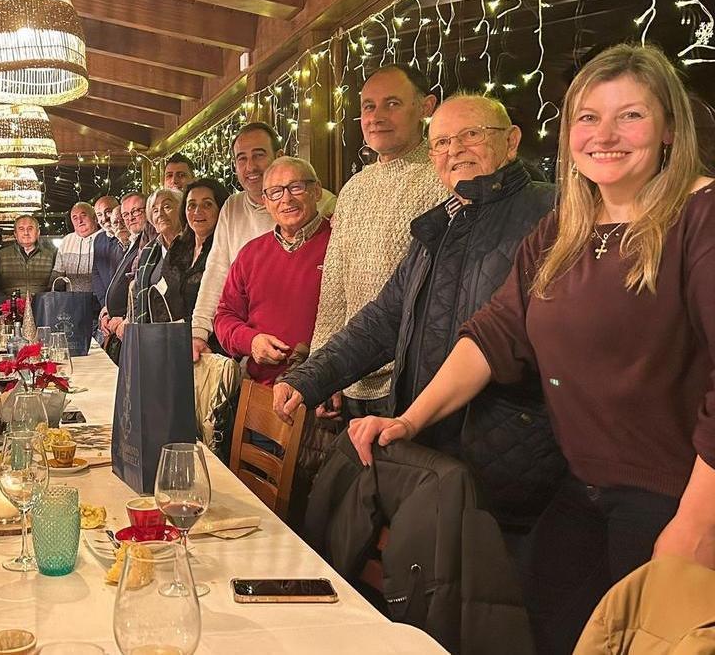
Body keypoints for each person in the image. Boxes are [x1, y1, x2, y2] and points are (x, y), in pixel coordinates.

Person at [346, 45, 715, 653]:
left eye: (631, 116)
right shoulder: (564, 227)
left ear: (669, 127)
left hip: (675, 499)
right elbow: (494, 335)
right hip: (581, 489)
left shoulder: (699, 216)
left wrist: (698, 525)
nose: (606, 135)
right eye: (589, 118)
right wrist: (409, 418)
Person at [273, 94, 563, 531]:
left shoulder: (552, 212)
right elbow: (384, 319)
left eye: (471, 134)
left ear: (512, 141)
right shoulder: (439, 224)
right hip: (431, 444)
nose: (455, 150)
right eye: (442, 142)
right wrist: (311, 377)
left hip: (509, 452)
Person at [307, 64, 449, 423]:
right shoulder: (354, 188)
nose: (376, 116)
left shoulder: (444, 179)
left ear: (426, 107)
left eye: (392, 104)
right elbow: (334, 285)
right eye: (369, 106)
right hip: (352, 373)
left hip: (412, 379)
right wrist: (323, 370)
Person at [188, 122, 336, 362]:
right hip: (255, 360)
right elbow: (216, 273)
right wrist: (199, 333)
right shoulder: (236, 214)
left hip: (318, 367)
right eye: (241, 159)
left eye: (258, 155)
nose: (250, 167)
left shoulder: (327, 207)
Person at [213, 157, 332, 384]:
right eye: (276, 192)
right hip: (262, 390)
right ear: (266, 202)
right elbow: (224, 317)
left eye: (296, 187)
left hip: (325, 388)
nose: (286, 199)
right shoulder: (250, 254)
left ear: (316, 191)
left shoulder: (337, 242)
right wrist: (251, 341)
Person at [154, 179, 228, 348]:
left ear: (221, 209)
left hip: (211, 346)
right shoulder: (178, 246)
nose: (197, 211)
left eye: (207, 205)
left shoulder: (225, 251)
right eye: (191, 205)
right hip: (172, 340)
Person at [121, 187, 183, 332]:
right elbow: (137, 293)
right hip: (150, 335)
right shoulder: (148, 251)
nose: (160, 214)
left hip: (183, 334)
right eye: (155, 210)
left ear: (182, 211)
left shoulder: (193, 246)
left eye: (167, 206)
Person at [101, 192, 152, 341]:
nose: (130, 218)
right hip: (119, 326)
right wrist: (107, 310)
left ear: (148, 210)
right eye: (126, 214)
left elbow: (144, 286)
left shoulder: (150, 241)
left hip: (135, 327)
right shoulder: (133, 241)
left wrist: (126, 316)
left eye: (136, 211)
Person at [0, 215, 56, 305]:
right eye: (21, 229)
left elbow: (56, 286)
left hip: (44, 309)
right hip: (11, 311)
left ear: (38, 232)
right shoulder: (1, 255)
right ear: (15, 234)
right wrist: (7, 304)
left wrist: (44, 302)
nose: (26, 233)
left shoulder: (50, 255)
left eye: (30, 228)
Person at [91, 195, 127, 318]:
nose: (104, 218)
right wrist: (105, 305)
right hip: (107, 308)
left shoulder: (129, 238)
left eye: (108, 212)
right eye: (99, 214)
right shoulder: (98, 239)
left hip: (126, 309)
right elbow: (96, 274)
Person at [51, 202, 99, 293]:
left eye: (83, 216)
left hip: (100, 302)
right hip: (71, 301)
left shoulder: (105, 238)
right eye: (75, 218)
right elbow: (57, 275)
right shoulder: (66, 241)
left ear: (95, 218)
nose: (79, 221)